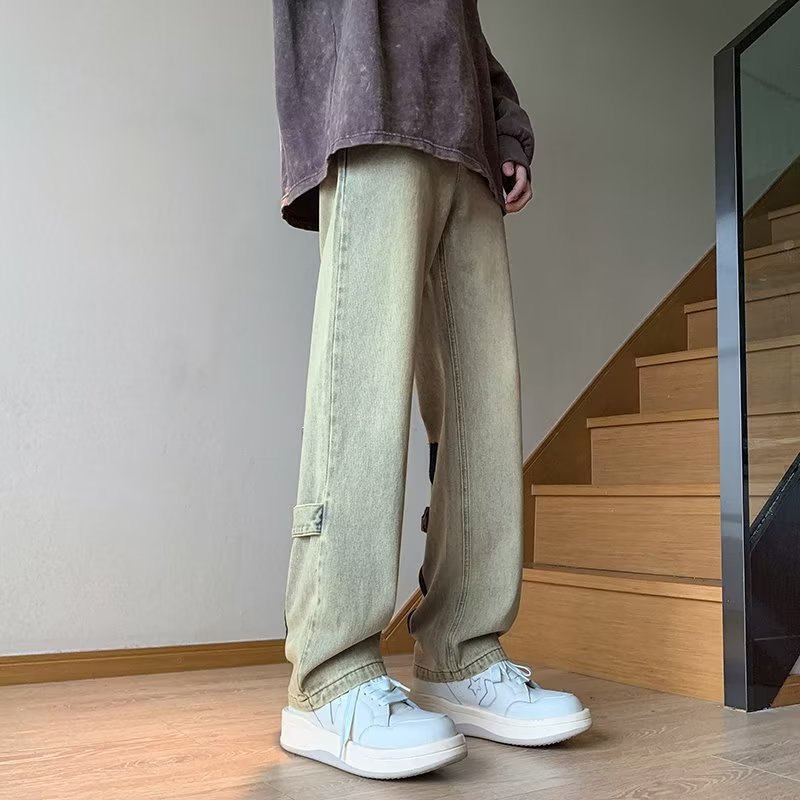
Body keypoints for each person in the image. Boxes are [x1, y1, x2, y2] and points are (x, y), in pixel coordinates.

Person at [272, 0, 591, 780]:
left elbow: (457, 23)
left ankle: (461, 651)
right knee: (363, 392)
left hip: (465, 136)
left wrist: (504, 122)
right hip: (370, 108)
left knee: (483, 407)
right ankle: (327, 675)